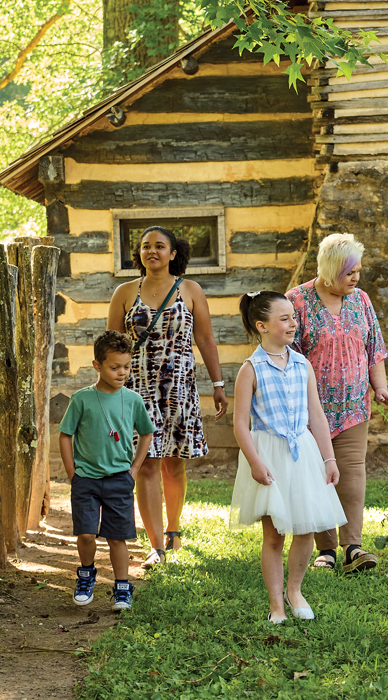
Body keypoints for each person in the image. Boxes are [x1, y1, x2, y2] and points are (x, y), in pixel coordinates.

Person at [108, 226, 228, 568]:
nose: (152, 252)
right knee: (145, 465)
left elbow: (205, 339)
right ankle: (156, 546)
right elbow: (112, 346)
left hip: (179, 392)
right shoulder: (124, 293)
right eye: (146, 246)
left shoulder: (190, 290)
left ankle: (174, 531)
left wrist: (218, 385)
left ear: (173, 253)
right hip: (136, 393)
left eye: (160, 246)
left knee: (174, 464)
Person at [229, 291, 346, 623]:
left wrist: (329, 458)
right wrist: (255, 461)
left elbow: (317, 415)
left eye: (293, 317)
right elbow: (240, 424)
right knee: (275, 534)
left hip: (302, 453)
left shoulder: (301, 364)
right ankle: (276, 604)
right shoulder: (250, 369)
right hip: (269, 454)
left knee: (306, 528)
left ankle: (295, 590)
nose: (293, 323)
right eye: (284, 319)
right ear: (262, 326)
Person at [287, 233, 388, 573]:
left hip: (353, 405)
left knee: (351, 473)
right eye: (350, 272)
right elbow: (287, 354)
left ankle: (353, 547)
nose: (356, 278)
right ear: (331, 269)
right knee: (317, 474)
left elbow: (373, 348)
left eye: (358, 272)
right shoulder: (297, 301)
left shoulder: (361, 300)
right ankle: (326, 549)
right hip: (311, 409)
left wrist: (380, 388)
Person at [58, 330, 155, 611]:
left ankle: (122, 587)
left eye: (126, 366)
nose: (122, 372)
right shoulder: (81, 399)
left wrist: (134, 468)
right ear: (97, 365)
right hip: (85, 479)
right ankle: (86, 575)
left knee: (117, 537)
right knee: (86, 534)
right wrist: (71, 472)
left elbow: (146, 434)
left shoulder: (134, 400)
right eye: (115, 367)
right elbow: (66, 434)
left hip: (119, 480)